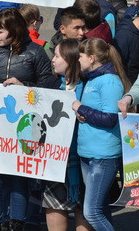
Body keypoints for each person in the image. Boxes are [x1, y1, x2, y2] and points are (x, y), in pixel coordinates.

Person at [0, 9, 51, 230]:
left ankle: (17, 224)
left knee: (19, 180)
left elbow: (51, 89)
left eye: (0, 31)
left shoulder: (36, 53)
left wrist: (26, 88)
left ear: (14, 30)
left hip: (25, 127)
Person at [72, 38, 130, 230]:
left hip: (102, 156)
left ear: (92, 58)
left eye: (80, 56)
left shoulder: (109, 81)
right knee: (100, 208)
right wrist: (84, 113)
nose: (77, 60)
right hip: (88, 153)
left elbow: (109, 118)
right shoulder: (92, 79)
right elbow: (94, 112)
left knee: (92, 211)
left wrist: (83, 109)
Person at [42, 39, 91, 231]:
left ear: (71, 60)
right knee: (54, 204)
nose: (52, 60)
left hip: (82, 157)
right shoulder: (51, 83)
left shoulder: (88, 85)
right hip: (55, 158)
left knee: (84, 208)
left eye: (57, 56)